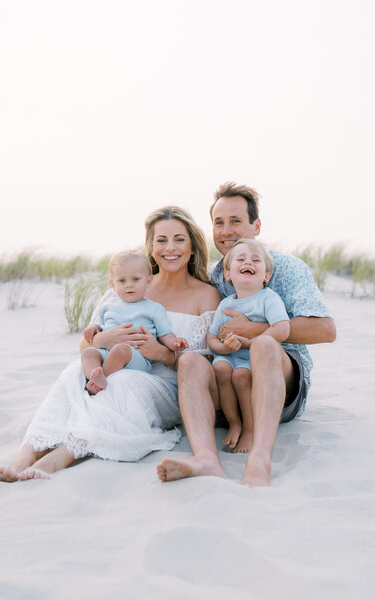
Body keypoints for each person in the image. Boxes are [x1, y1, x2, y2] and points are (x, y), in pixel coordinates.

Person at [0, 206, 220, 482]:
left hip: (164, 384)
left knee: (121, 385)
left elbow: (204, 368)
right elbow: (86, 344)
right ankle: (23, 458)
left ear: (193, 246)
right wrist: (105, 339)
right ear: (151, 246)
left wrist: (161, 352)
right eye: (161, 240)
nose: (170, 247)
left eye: (179, 239)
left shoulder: (206, 295)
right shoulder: (128, 284)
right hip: (109, 364)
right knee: (72, 373)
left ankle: (58, 458)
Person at [157, 182, 336, 487]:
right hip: (229, 385)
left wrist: (253, 330)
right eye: (219, 222)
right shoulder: (214, 274)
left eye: (236, 221)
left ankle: (260, 459)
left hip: (280, 381)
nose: (226, 230)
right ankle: (206, 459)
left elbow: (326, 329)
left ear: (256, 226)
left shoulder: (284, 267)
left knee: (264, 345)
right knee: (190, 362)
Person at [209, 238, 290, 453]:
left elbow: (282, 329)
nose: (249, 263)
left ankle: (250, 428)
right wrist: (224, 348)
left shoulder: (267, 299)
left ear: (266, 276)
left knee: (241, 377)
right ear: (228, 274)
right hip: (229, 355)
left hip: (252, 358)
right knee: (220, 368)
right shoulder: (226, 305)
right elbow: (212, 338)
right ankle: (234, 423)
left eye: (256, 260)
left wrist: (252, 343)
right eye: (241, 259)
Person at [81, 250, 188, 395]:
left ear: (148, 281)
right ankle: (94, 374)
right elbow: (101, 325)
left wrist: (175, 343)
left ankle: (100, 381)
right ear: (112, 284)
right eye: (122, 281)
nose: (129, 285)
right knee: (88, 353)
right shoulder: (108, 305)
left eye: (136, 279)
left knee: (121, 349)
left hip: (136, 358)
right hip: (107, 352)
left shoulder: (154, 308)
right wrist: (93, 327)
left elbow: (165, 334)